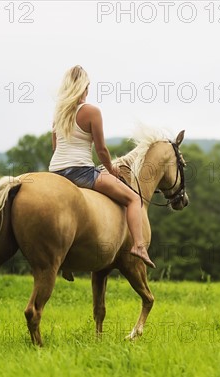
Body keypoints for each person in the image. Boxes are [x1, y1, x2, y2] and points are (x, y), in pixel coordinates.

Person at [49, 65, 155, 278]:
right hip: (81, 172)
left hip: (55, 172)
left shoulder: (58, 114)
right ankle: (139, 246)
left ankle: (66, 260)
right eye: (88, 86)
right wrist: (111, 169)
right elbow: (101, 149)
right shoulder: (91, 111)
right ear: (84, 87)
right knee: (134, 199)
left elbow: (55, 147)